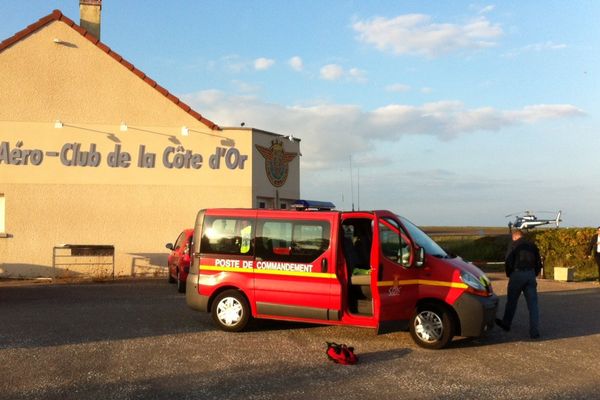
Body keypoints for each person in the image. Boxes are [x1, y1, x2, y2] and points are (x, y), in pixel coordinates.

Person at [496, 229, 543, 339]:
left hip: (517, 274)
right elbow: (538, 263)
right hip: (530, 274)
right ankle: (534, 331)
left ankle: (506, 324)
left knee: (512, 301)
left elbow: (508, 260)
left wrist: (509, 274)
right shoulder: (532, 245)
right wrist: (534, 273)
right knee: (533, 305)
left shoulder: (514, 245)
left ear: (515, 237)